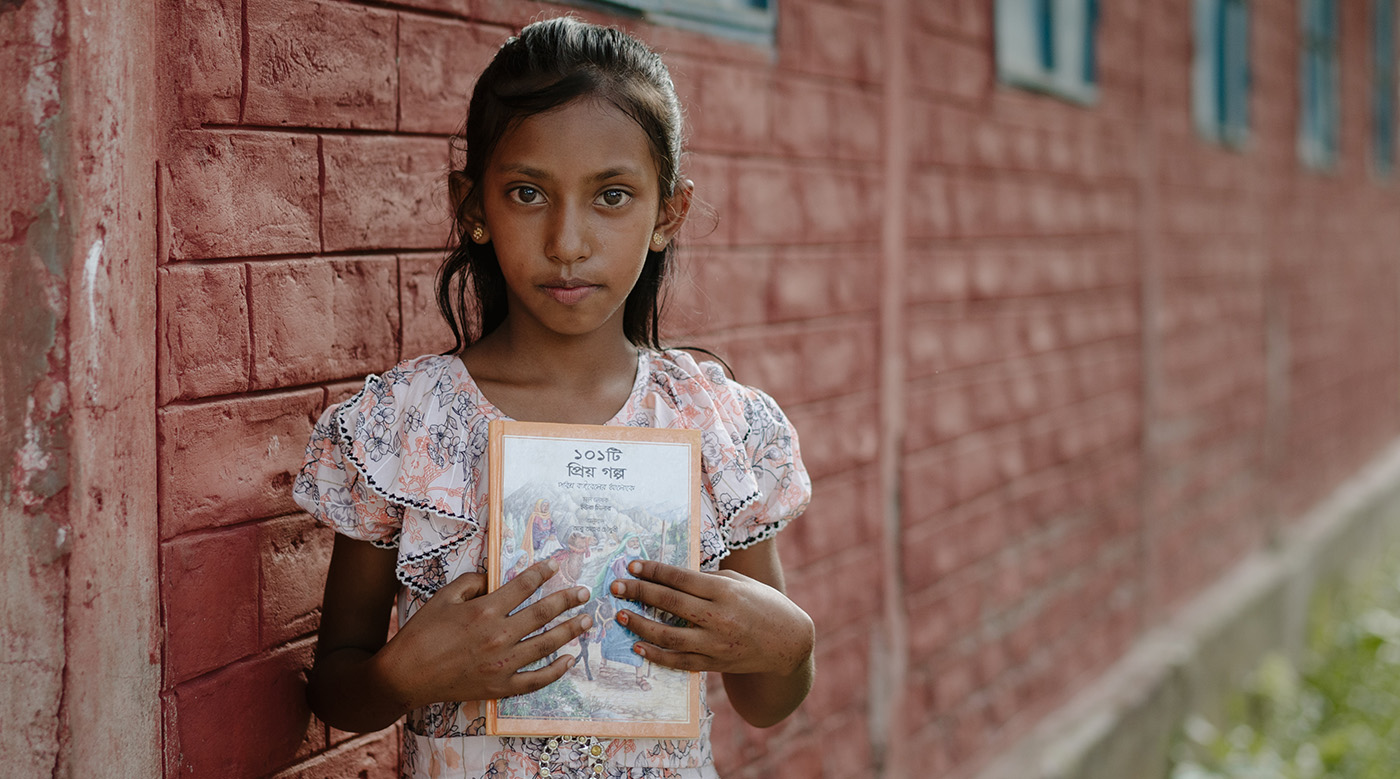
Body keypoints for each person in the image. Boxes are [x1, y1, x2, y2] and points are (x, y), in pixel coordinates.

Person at [292, 16, 814, 779]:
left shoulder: (715, 425)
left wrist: (789, 643)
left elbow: (767, 698)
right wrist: (403, 673)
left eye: (611, 195)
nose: (567, 239)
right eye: (529, 192)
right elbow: (336, 686)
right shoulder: (404, 428)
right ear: (473, 206)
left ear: (668, 213)